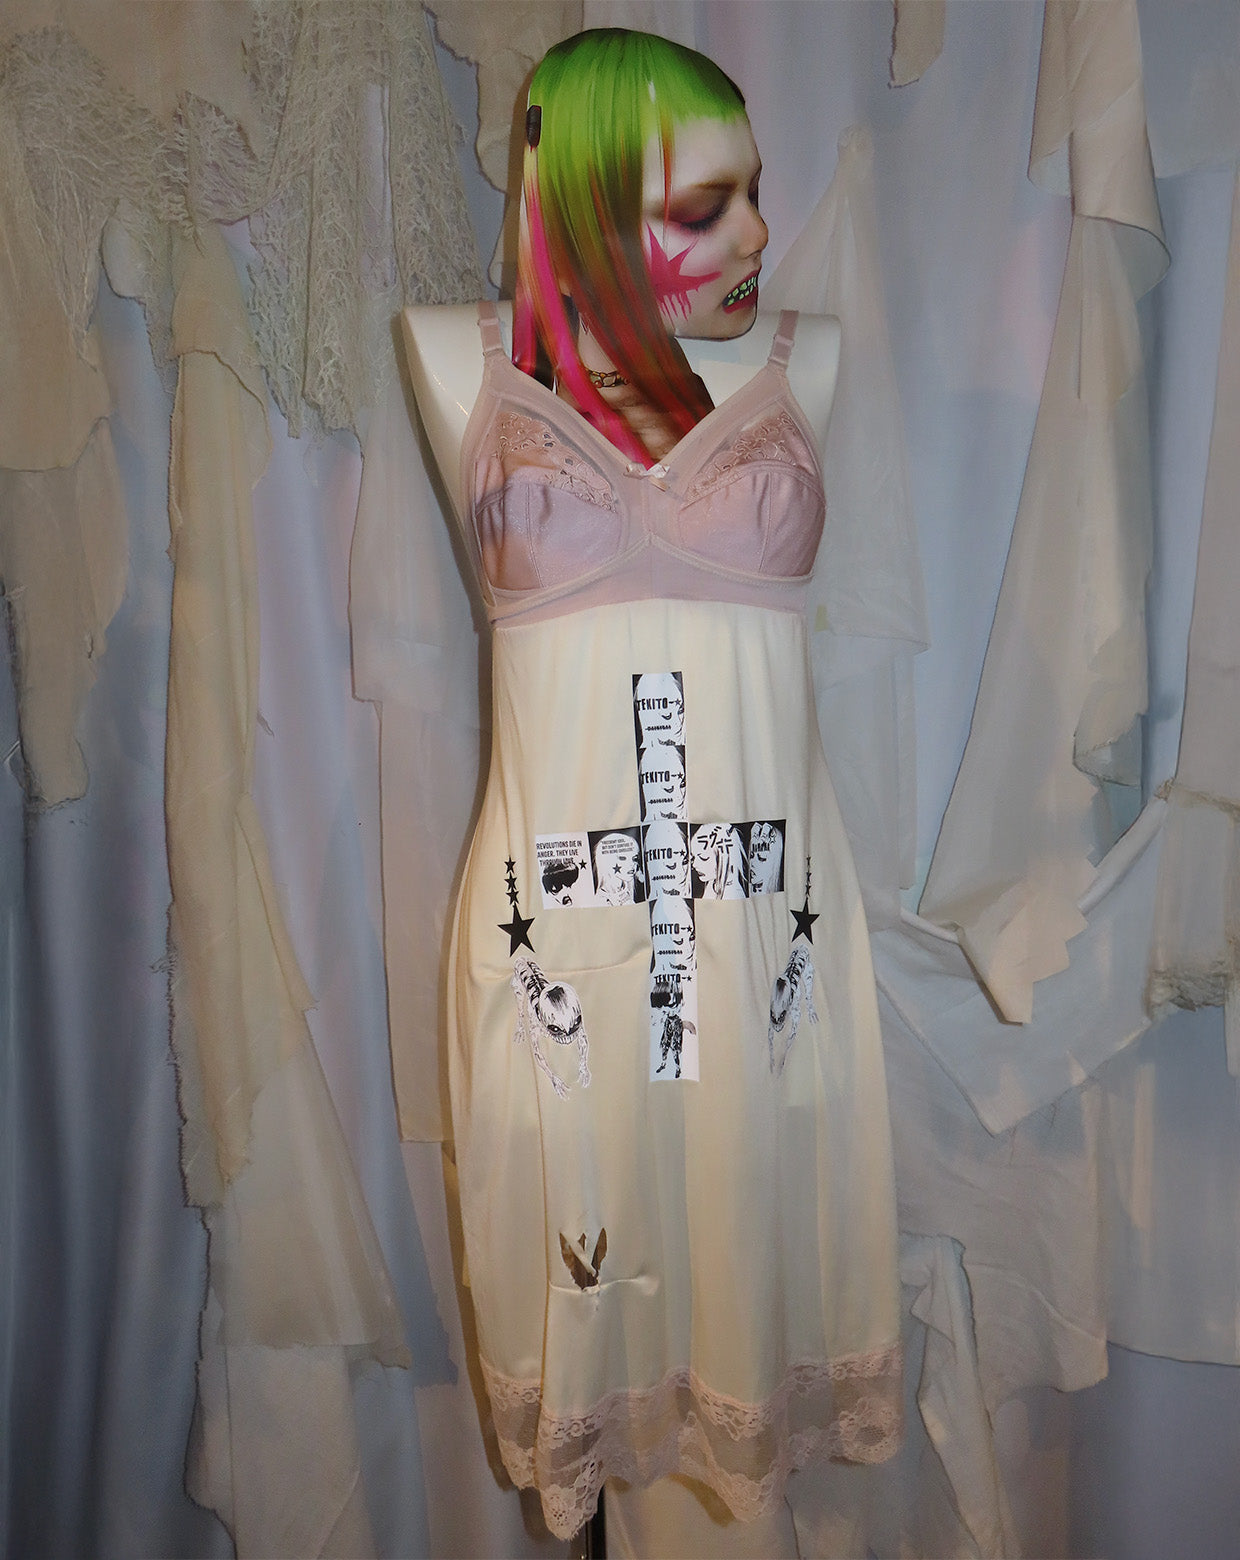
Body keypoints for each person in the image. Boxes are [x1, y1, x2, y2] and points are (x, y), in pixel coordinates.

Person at [403, 28, 900, 1541]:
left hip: (759, 950)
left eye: (755, 192)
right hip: (562, 950)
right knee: (588, 1276)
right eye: (703, 207)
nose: (756, 233)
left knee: (744, 1263)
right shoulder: (455, 359)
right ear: (583, 207)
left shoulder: (804, 358)